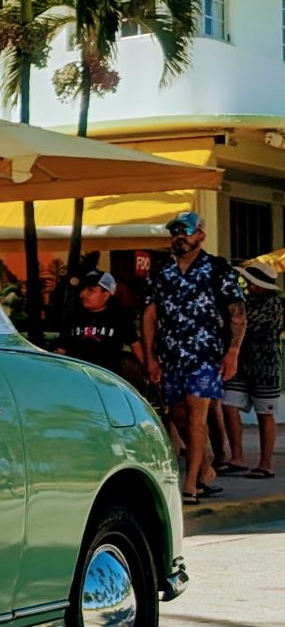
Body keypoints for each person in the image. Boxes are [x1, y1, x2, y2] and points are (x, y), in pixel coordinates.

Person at [142, 211, 248, 504]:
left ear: (200, 235)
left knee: (197, 414)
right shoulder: (161, 271)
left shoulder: (217, 269)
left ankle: (190, 483)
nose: (179, 237)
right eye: (175, 232)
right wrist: (150, 357)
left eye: (185, 231)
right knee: (178, 414)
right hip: (170, 354)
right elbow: (150, 315)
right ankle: (204, 468)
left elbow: (237, 314)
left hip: (205, 354)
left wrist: (233, 352)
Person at [222, 260, 281, 480]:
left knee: (264, 414)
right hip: (242, 364)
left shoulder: (272, 305)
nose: (249, 286)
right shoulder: (246, 302)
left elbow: (243, 323)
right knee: (229, 405)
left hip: (265, 367)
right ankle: (237, 456)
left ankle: (265, 464)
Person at [53, 269, 142, 376]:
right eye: (82, 289)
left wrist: (149, 368)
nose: (82, 294)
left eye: (90, 290)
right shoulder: (74, 316)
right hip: (76, 377)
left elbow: (136, 346)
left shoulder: (118, 316)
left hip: (106, 380)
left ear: (106, 295)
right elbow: (62, 349)